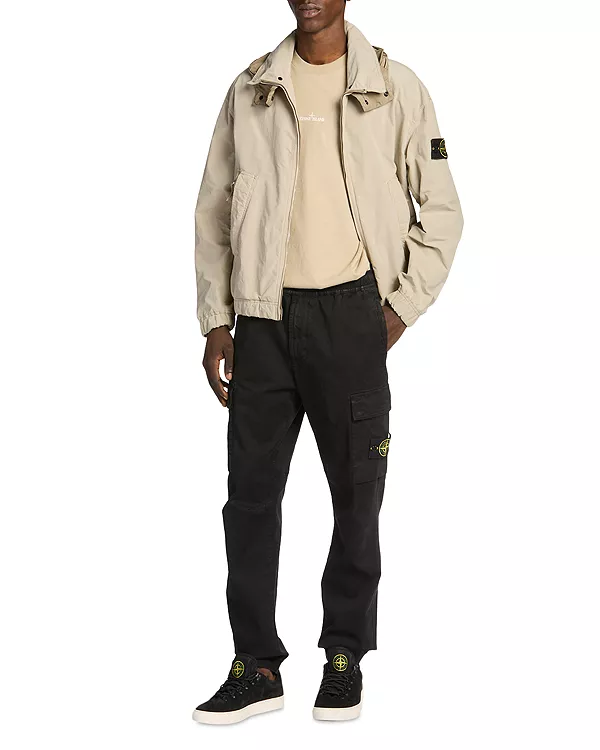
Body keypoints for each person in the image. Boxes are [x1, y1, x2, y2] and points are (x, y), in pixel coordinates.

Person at [192, 0, 463, 725]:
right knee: (249, 502)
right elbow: (214, 211)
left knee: (357, 496)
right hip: (261, 319)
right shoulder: (252, 88)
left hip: (352, 313)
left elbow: (441, 211)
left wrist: (399, 309)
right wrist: (217, 320)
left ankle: (344, 654)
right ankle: (255, 666)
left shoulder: (395, 87)